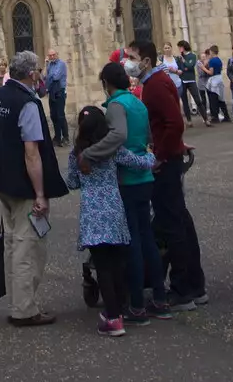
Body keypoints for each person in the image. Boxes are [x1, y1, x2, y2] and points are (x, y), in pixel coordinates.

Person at [0, 48, 67, 327]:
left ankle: (19, 301)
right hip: (23, 183)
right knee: (27, 246)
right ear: (32, 74)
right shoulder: (26, 103)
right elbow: (31, 151)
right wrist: (40, 193)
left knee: (12, 244)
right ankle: (24, 308)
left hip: (3, 179)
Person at [81, 61, 170, 321]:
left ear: (107, 84)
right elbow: (147, 135)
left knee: (131, 242)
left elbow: (118, 136)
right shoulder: (137, 102)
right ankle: (160, 298)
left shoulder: (117, 106)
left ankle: (137, 304)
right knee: (147, 239)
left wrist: (90, 153)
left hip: (129, 179)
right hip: (144, 176)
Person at [67, 104, 155, 337]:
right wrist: (151, 153)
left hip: (92, 213)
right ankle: (120, 307)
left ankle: (113, 317)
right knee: (117, 262)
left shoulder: (77, 153)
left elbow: (72, 182)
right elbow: (139, 163)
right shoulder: (112, 150)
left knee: (102, 265)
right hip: (114, 209)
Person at [135, 41, 206, 311]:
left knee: (172, 224)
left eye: (133, 56)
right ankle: (195, 285)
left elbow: (174, 122)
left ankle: (182, 291)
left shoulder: (155, 84)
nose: (129, 62)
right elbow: (168, 124)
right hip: (169, 155)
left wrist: (162, 154)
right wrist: (172, 144)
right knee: (180, 221)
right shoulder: (158, 82)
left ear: (147, 61)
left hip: (165, 163)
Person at [175, 41, 207, 125]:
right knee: (185, 101)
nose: (179, 49)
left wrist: (184, 62)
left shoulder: (192, 56)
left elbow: (190, 66)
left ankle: (205, 119)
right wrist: (183, 67)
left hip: (191, 80)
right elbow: (180, 67)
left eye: (180, 47)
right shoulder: (179, 57)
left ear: (183, 47)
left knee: (198, 100)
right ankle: (189, 121)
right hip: (182, 80)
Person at [43, 47, 69, 146]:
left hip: (60, 92)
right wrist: (46, 65)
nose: (52, 57)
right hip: (52, 92)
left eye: (54, 55)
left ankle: (65, 137)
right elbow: (43, 76)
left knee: (60, 115)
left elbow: (56, 77)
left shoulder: (61, 64)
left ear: (57, 55)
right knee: (54, 115)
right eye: (50, 55)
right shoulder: (49, 65)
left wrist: (48, 77)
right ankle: (57, 137)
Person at [203, 47, 230, 123]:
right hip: (219, 79)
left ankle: (215, 117)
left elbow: (211, 72)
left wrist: (203, 68)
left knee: (213, 99)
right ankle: (226, 115)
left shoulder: (212, 61)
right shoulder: (219, 60)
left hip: (214, 80)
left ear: (211, 52)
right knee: (221, 98)